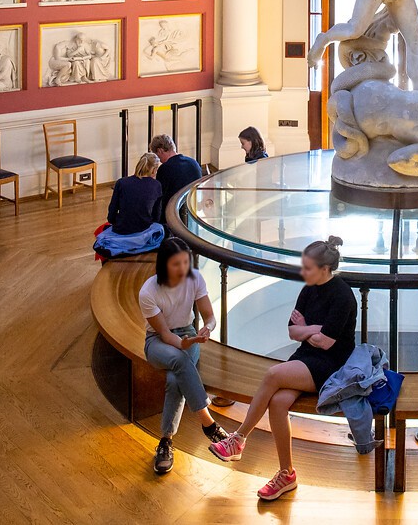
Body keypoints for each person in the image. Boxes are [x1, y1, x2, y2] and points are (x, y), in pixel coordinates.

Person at [209, 237, 358, 502]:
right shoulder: (309, 289)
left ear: (325, 269)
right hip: (306, 356)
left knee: (273, 374)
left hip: (333, 364)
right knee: (277, 403)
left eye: (308, 268)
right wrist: (313, 329)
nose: (303, 272)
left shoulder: (343, 295)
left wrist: (306, 328)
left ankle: (238, 439)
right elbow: (292, 331)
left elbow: (327, 343)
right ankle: (286, 474)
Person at [139, 237, 227, 475]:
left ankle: (165, 442)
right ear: (164, 264)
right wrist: (182, 344)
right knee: (179, 360)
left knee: (174, 379)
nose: (183, 269)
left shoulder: (195, 278)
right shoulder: (148, 291)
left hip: (188, 333)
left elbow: (209, 316)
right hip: (157, 341)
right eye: (176, 264)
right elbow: (165, 334)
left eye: (186, 263)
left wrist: (207, 328)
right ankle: (208, 423)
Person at [104, 153, 162, 237]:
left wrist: (114, 222)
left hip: (121, 228)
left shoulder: (121, 182)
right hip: (144, 228)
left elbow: (112, 209)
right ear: (154, 170)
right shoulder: (156, 185)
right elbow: (156, 215)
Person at [151, 134, 203, 225]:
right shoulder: (193, 163)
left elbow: (160, 198)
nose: (159, 160)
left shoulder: (165, 169)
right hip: (194, 212)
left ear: (160, 150)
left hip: (174, 217)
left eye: (157, 155)